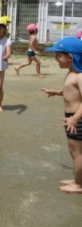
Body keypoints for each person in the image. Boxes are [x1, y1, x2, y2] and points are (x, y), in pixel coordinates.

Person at [41, 37, 82, 193]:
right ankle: (78, 179)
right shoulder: (72, 73)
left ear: (70, 58)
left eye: (58, 55)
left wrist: (75, 118)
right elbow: (72, 93)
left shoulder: (79, 76)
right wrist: (57, 92)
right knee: (74, 151)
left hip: (76, 119)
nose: (56, 58)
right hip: (72, 118)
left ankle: (79, 185)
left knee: (77, 152)